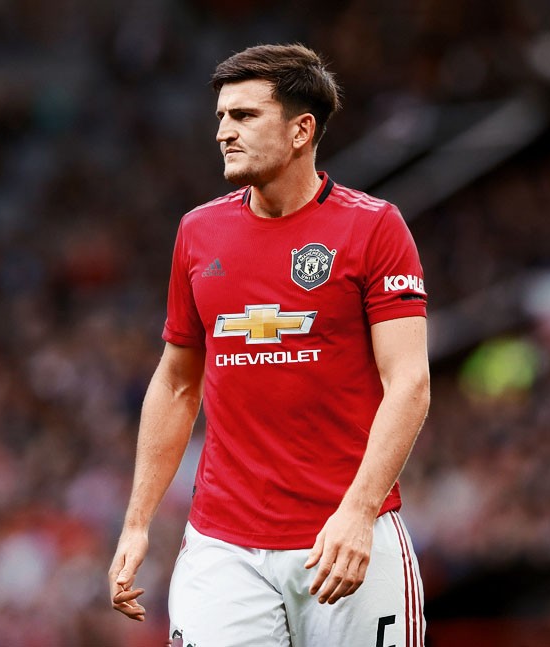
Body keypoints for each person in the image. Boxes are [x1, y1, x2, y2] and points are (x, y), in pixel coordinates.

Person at [108, 43, 430, 646]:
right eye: (221, 117)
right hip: (223, 546)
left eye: (245, 116)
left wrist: (359, 512)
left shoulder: (374, 227)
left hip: (344, 535)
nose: (224, 133)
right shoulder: (199, 232)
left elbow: (409, 382)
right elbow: (176, 383)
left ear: (301, 130)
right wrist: (136, 523)